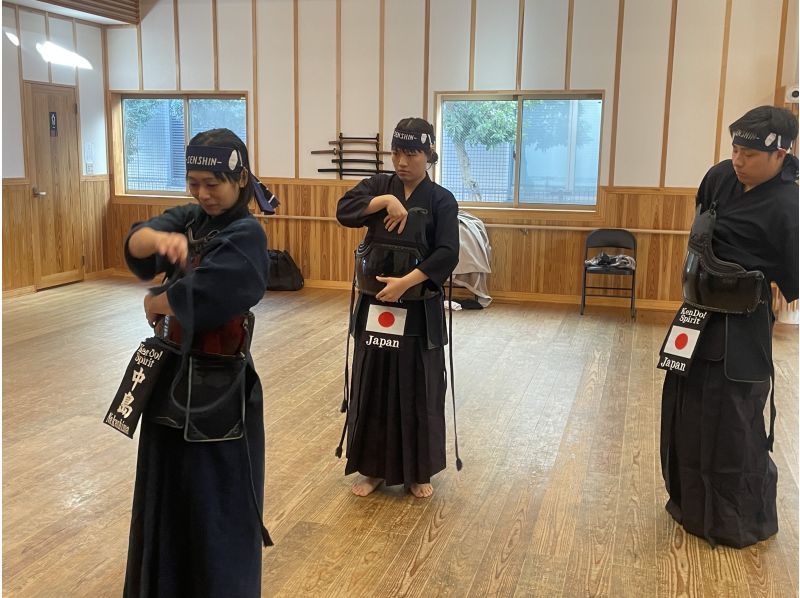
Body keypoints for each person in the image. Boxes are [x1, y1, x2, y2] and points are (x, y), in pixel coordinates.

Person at [123, 128, 272, 596]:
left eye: (214, 183)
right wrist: (152, 240)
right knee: (166, 489)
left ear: (240, 178)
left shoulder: (247, 232)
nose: (203, 194)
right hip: (170, 376)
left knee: (213, 499)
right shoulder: (190, 218)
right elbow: (138, 241)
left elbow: (220, 290)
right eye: (193, 182)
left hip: (218, 389)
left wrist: (159, 300)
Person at [660, 106, 798, 548]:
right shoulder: (719, 176)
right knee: (683, 410)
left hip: (741, 326)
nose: (738, 159)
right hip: (694, 314)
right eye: (735, 148)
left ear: (780, 154)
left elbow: (793, 283)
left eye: (750, 153)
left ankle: (733, 521)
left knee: (732, 420)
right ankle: (687, 506)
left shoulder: (789, 204)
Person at [335, 117, 460, 499]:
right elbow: (344, 210)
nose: (402, 161)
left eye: (412, 153)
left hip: (418, 307)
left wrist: (407, 282)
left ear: (428, 155)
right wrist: (386, 201)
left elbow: (447, 253)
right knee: (374, 381)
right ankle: (372, 469)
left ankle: (417, 471)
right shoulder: (379, 186)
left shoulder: (441, 199)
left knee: (418, 386)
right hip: (377, 306)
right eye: (396, 152)